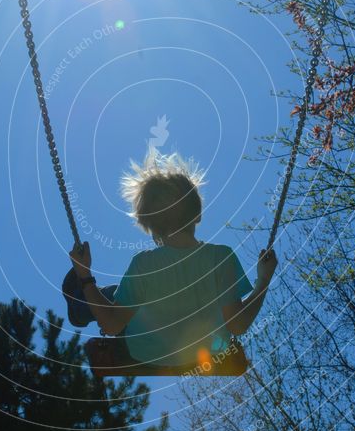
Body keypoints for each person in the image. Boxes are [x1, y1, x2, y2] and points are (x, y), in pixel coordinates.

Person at [68, 151, 277, 368]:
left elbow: (111, 326)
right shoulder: (221, 257)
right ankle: (82, 303)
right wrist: (263, 280)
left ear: (150, 227)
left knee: (113, 293)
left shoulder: (144, 265)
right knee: (124, 295)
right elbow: (238, 325)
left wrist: (85, 276)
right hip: (208, 351)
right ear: (198, 215)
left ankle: (79, 306)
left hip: (147, 351)